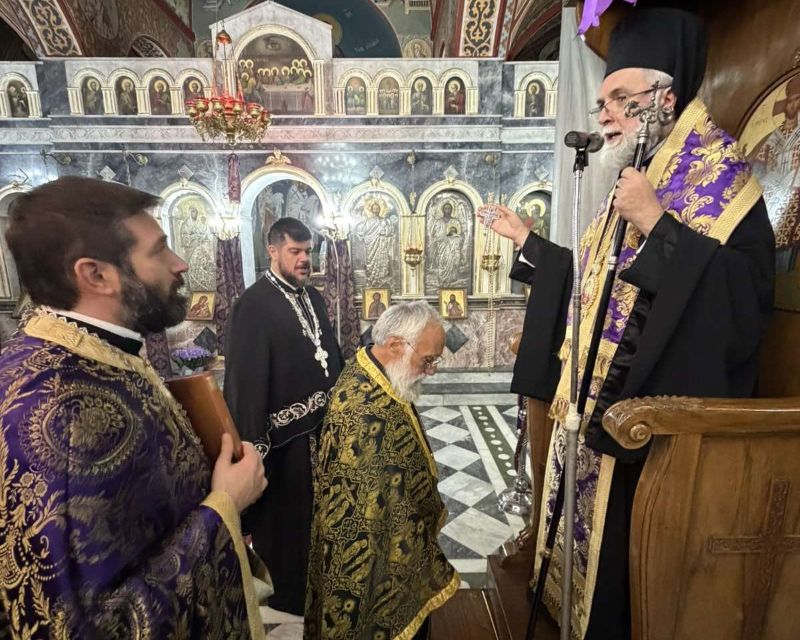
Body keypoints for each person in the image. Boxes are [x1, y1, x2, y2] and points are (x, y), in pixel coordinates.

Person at [479, 9, 775, 639]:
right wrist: (531, 241)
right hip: (598, 411)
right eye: (602, 100)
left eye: (619, 97)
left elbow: (740, 303)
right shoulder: (645, 173)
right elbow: (595, 284)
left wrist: (658, 224)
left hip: (652, 427)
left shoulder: (719, 179)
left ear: (664, 98)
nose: (604, 113)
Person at [0, 176, 268, 638]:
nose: (180, 263)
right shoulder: (62, 410)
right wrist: (226, 504)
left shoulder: (94, 354)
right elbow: (90, 628)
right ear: (96, 275)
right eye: (159, 250)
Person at [305, 301, 458, 640]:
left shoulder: (375, 373)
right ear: (395, 345)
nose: (431, 371)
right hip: (372, 559)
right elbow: (372, 511)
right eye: (428, 360)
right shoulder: (363, 412)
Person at [224, 216, 344, 615]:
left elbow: (331, 357)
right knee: (289, 526)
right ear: (273, 251)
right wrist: (252, 449)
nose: (304, 259)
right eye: (295, 251)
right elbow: (244, 385)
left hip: (323, 434)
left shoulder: (313, 298)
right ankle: (293, 598)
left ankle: (326, 586)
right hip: (283, 446)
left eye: (308, 251)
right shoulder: (253, 306)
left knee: (323, 520)